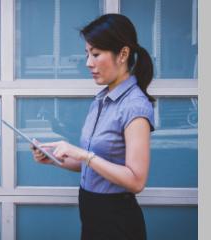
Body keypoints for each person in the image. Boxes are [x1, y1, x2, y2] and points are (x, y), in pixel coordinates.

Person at [30, 13, 155, 240]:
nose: (88, 63)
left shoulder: (135, 107)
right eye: (87, 54)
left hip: (117, 221)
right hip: (92, 214)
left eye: (96, 54)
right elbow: (94, 163)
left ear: (123, 54)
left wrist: (83, 154)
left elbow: (136, 181)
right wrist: (55, 159)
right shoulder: (100, 100)